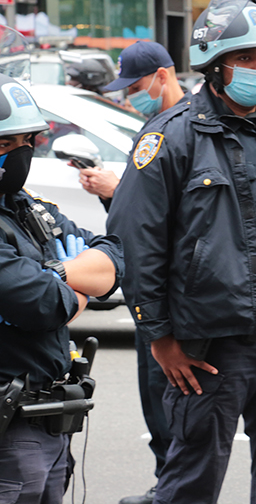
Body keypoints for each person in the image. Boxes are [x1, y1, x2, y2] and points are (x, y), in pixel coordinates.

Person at [106, 0, 256, 504]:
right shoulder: (172, 137)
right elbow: (134, 242)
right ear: (215, 66)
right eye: (248, 58)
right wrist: (159, 337)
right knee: (191, 482)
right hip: (212, 346)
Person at [0, 70, 123, 503]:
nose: (20, 155)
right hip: (10, 427)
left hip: (50, 416)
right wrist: (73, 276)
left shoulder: (25, 207)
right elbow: (42, 303)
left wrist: (58, 274)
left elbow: (113, 255)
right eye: (3, 144)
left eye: (26, 142)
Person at [72, 40, 185, 504]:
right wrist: (112, 193)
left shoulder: (187, 129)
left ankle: (175, 487)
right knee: (157, 398)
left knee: (171, 396)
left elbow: (181, 214)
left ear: (163, 74)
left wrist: (118, 189)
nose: (130, 95)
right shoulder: (154, 125)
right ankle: (170, 482)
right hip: (149, 284)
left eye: (136, 85)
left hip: (175, 289)